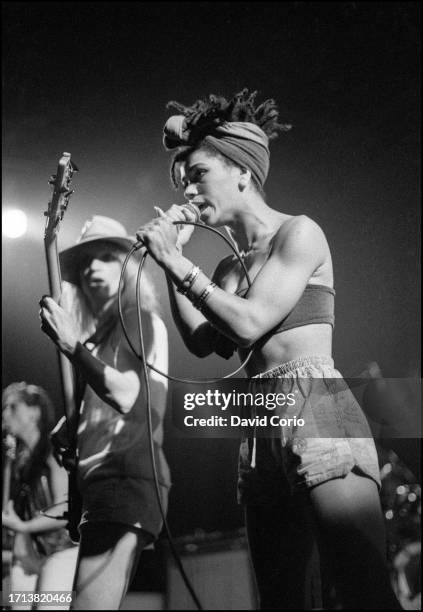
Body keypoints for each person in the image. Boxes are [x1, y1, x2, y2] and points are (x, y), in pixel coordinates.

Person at [135, 89, 402, 609]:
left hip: (316, 403)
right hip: (259, 423)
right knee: (281, 600)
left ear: (241, 172)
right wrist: (173, 265)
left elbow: (251, 321)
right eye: (182, 178)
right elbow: (201, 340)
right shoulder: (226, 268)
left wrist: (179, 265)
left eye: (197, 172)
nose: (188, 186)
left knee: (362, 589)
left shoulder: (298, 233)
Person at [38, 215, 170, 610]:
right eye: (84, 262)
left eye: (105, 258)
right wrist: (71, 428)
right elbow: (104, 400)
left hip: (126, 479)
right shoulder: (97, 338)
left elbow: (132, 397)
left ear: (126, 265)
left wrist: (72, 347)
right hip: (99, 483)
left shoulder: (138, 320)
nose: (91, 267)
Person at [2, 382, 78, 611]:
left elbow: (65, 508)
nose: (5, 414)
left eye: (12, 407)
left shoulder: (53, 451)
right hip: (27, 555)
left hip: (60, 552)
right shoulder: (17, 458)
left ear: (34, 412)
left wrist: (23, 526)